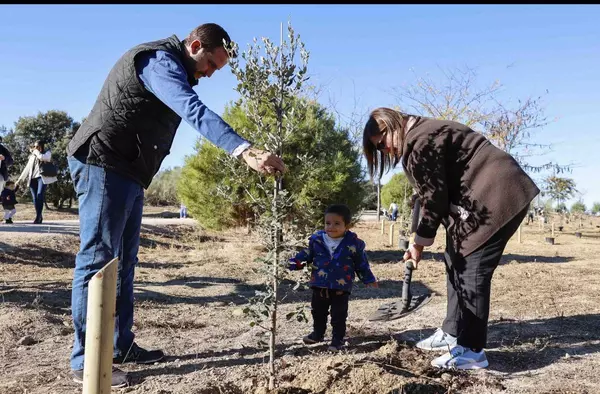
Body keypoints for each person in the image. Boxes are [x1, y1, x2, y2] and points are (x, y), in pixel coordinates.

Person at [65, 23, 286, 388]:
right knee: (98, 260)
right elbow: (191, 109)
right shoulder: (158, 61)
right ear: (195, 44)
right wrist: (245, 149)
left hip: (129, 171)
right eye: (212, 64)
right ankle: (86, 360)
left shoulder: (179, 67)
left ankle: (118, 346)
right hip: (103, 163)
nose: (211, 73)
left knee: (123, 263)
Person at [362, 107, 539, 370]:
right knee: (455, 259)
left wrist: (422, 241)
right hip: (490, 194)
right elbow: (425, 196)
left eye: (381, 145)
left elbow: (435, 197)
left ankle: (472, 350)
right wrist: (416, 239)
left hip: (495, 194)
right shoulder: (423, 134)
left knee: (472, 268)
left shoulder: (420, 141)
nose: (385, 152)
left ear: (388, 126)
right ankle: (452, 332)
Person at [288, 204, 378, 351]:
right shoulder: (317, 240)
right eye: (328, 223)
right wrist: (295, 262)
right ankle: (317, 334)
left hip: (340, 289)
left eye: (337, 223)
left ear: (347, 226)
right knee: (318, 312)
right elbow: (306, 255)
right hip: (319, 286)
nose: (331, 227)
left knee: (339, 316)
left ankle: (337, 340)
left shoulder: (354, 244)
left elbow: (361, 264)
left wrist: (368, 279)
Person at [16, 140, 57, 224]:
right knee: (35, 198)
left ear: (41, 146)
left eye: (36, 146)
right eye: (34, 146)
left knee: (39, 195)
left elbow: (43, 158)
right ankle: (39, 215)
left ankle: (38, 217)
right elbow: (26, 169)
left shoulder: (47, 153)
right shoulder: (32, 156)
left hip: (42, 177)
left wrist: (35, 152)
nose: (35, 148)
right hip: (32, 179)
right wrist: (19, 180)